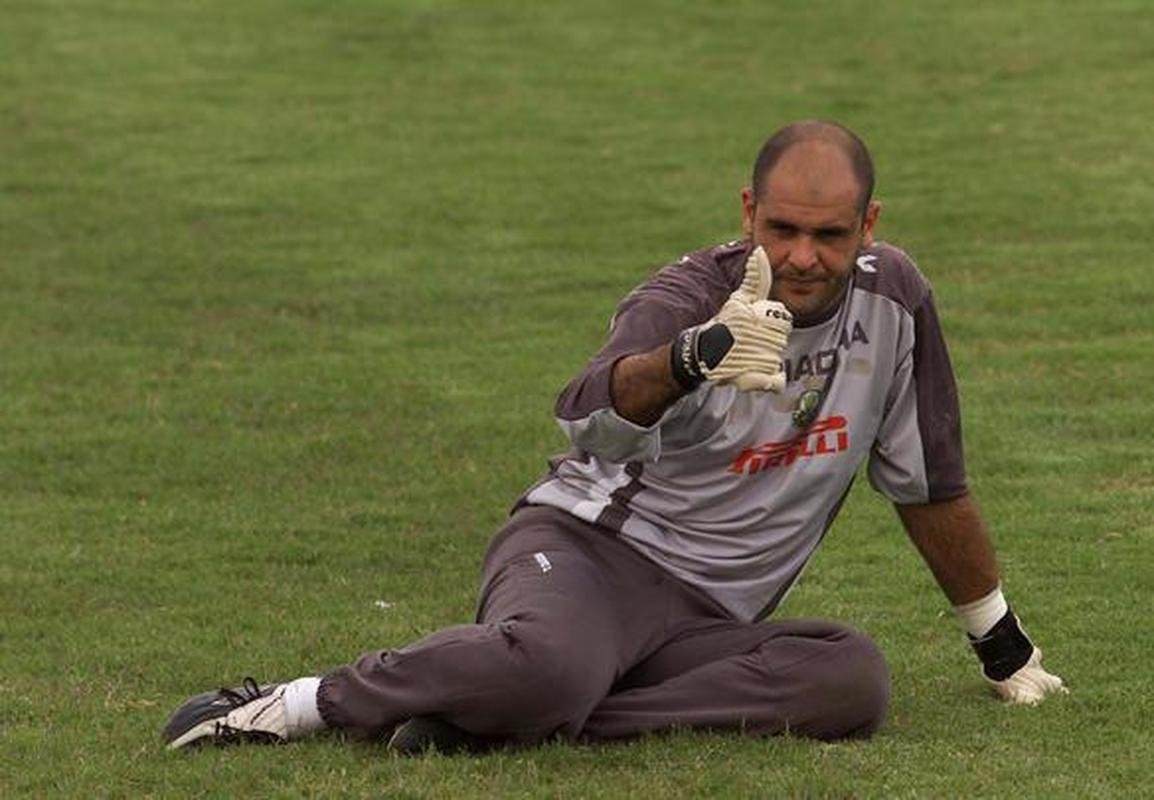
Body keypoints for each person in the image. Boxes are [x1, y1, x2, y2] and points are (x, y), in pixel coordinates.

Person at [162, 120, 1065, 754]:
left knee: (851, 680)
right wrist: (691, 356)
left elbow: (928, 482)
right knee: (551, 662)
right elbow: (588, 411)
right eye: (781, 228)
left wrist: (1003, 647)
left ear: (868, 226)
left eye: (828, 235)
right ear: (749, 209)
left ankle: (524, 718)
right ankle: (295, 706)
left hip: (711, 617)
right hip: (588, 555)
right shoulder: (686, 295)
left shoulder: (897, 301)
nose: (801, 256)